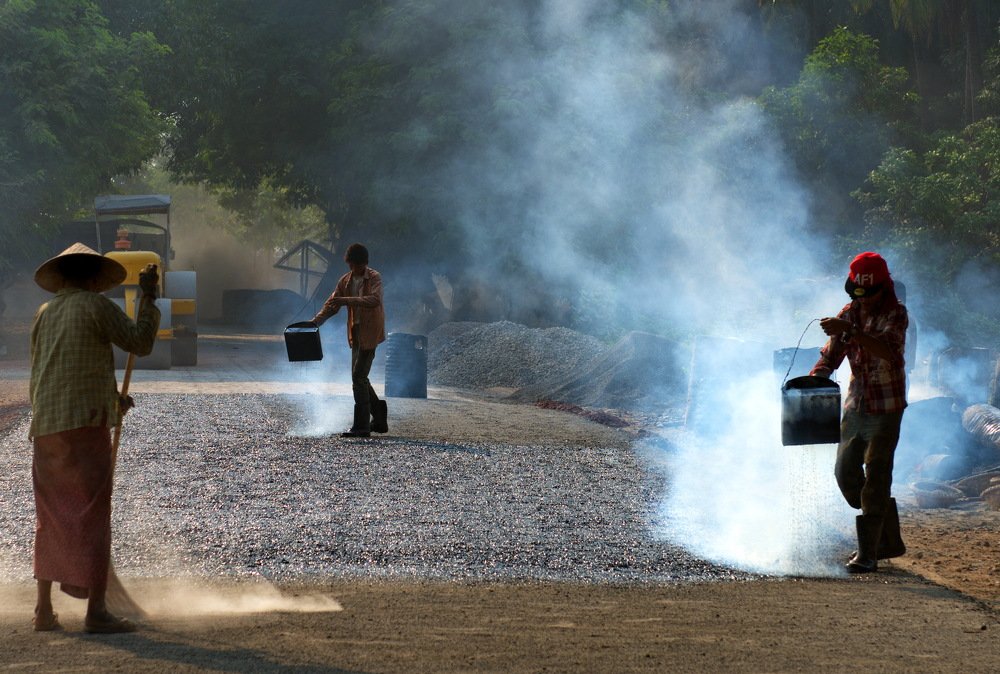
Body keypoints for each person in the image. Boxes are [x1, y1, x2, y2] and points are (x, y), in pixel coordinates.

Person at [29, 243, 160, 633]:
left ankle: (43, 611)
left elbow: (51, 372)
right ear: (90, 278)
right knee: (92, 515)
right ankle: (96, 612)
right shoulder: (95, 307)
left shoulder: (43, 313)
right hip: (85, 428)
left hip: (47, 428)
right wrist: (150, 298)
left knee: (51, 517)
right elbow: (141, 342)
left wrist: (113, 401)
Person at [809, 252, 908, 574]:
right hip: (856, 405)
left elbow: (889, 353)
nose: (862, 302)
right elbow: (831, 355)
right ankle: (886, 538)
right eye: (856, 295)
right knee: (845, 474)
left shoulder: (896, 314)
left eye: (869, 294)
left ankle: (868, 554)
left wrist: (851, 332)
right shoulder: (848, 313)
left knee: (877, 478)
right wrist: (816, 377)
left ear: (883, 289)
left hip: (886, 407)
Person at [310, 243, 387, 437]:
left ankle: (361, 426)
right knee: (359, 376)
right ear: (349, 263)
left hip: (370, 332)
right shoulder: (345, 281)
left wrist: (347, 300)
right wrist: (314, 322)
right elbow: (332, 304)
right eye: (353, 265)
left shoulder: (375, 278)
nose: (355, 269)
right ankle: (378, 416)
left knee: (358, 377)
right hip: (356, 331)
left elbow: (374, 300)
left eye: (359, 265)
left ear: (365, 263)